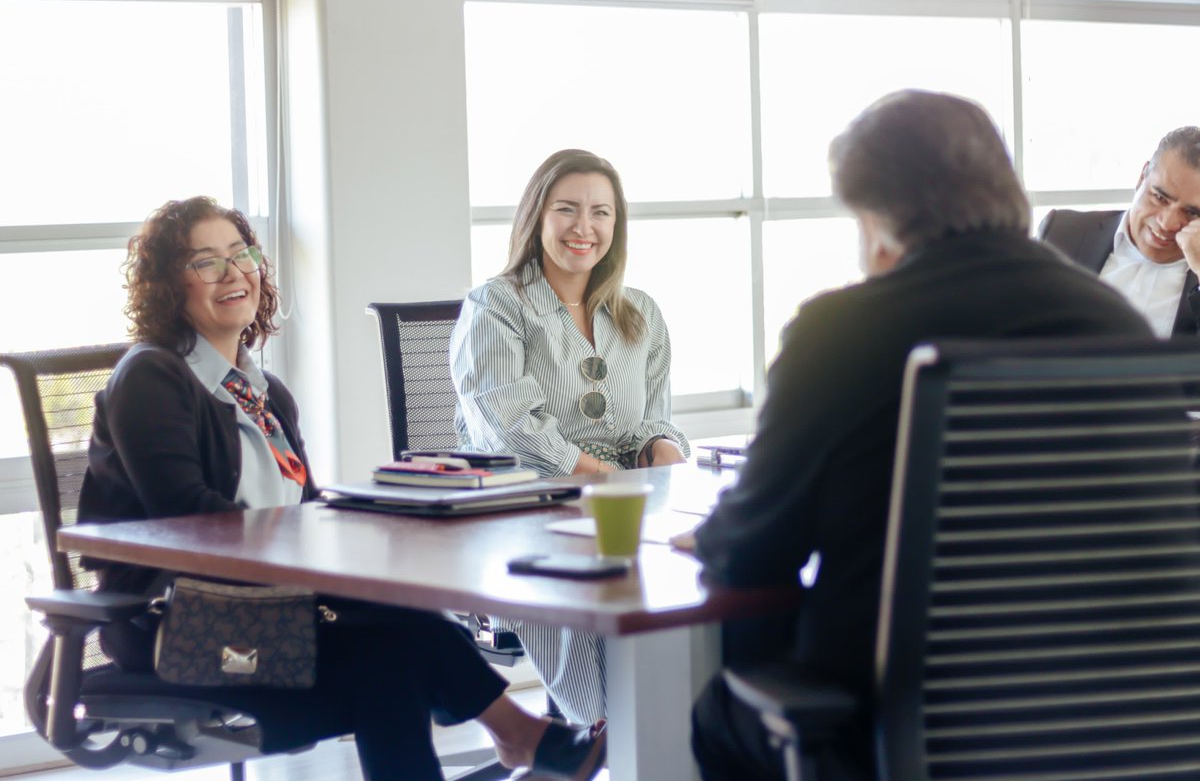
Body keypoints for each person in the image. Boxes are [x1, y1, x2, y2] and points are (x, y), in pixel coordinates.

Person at [677, 91, 1154, 780]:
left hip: (919, 732)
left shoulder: (843, 329)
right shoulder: (1116, 322)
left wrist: (717, 532)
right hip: (1121, 727)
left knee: (719, 713)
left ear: (876, 220)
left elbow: (751, 549)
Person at [77, 197, 606, 781]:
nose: (233, 273)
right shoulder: (151, 376)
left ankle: (518, 735)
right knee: (397, 635)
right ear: (167, 285)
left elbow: (306, 511)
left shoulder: (266, 394)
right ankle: (520, 733)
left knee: (390, 654)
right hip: (181, 626)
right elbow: (191, 523)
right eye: (206, 262)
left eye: (241, 254)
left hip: (271, 609)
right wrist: (321, 566)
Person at [450, 149, 690, 724]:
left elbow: (654, 416)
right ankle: (599, 736)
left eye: (600, 212)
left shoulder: (641, 313)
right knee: (602, 672)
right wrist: (603, 476)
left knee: (691, 587)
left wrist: (662, 450)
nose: (584, 227)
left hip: (621, 505)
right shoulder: (496, 305)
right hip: (529, 503)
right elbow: (509, 425)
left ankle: (660, 732)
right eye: (567, 209)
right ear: (537, 216)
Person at [1038, 127, 1200, 337]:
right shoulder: (1061, 234)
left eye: (1192, 213)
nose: (1167, 223)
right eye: (1160, 198)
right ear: (1141, 178)